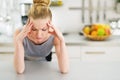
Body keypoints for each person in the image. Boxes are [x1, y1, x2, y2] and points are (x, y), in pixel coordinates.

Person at [14, 0, 69, 74]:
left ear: (50, 25)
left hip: (46, 69)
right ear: (27, 23)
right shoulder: (19, 34)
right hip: (25, 68)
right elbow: (19, 70)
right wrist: (18, 40)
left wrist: (62, 40)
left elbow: (64, 69)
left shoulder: (54, 36)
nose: (39, 35)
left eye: (44, 29)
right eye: (34, 29)